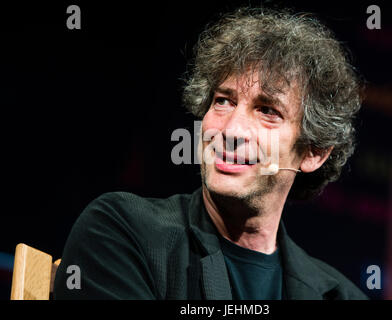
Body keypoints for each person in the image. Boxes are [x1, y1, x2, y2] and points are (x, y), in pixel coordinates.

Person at [54, 7, 367, 300]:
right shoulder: (122, 233)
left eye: (267, 110)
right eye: (223, 101)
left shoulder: (340, 294)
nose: (230, 131)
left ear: (313, 152)